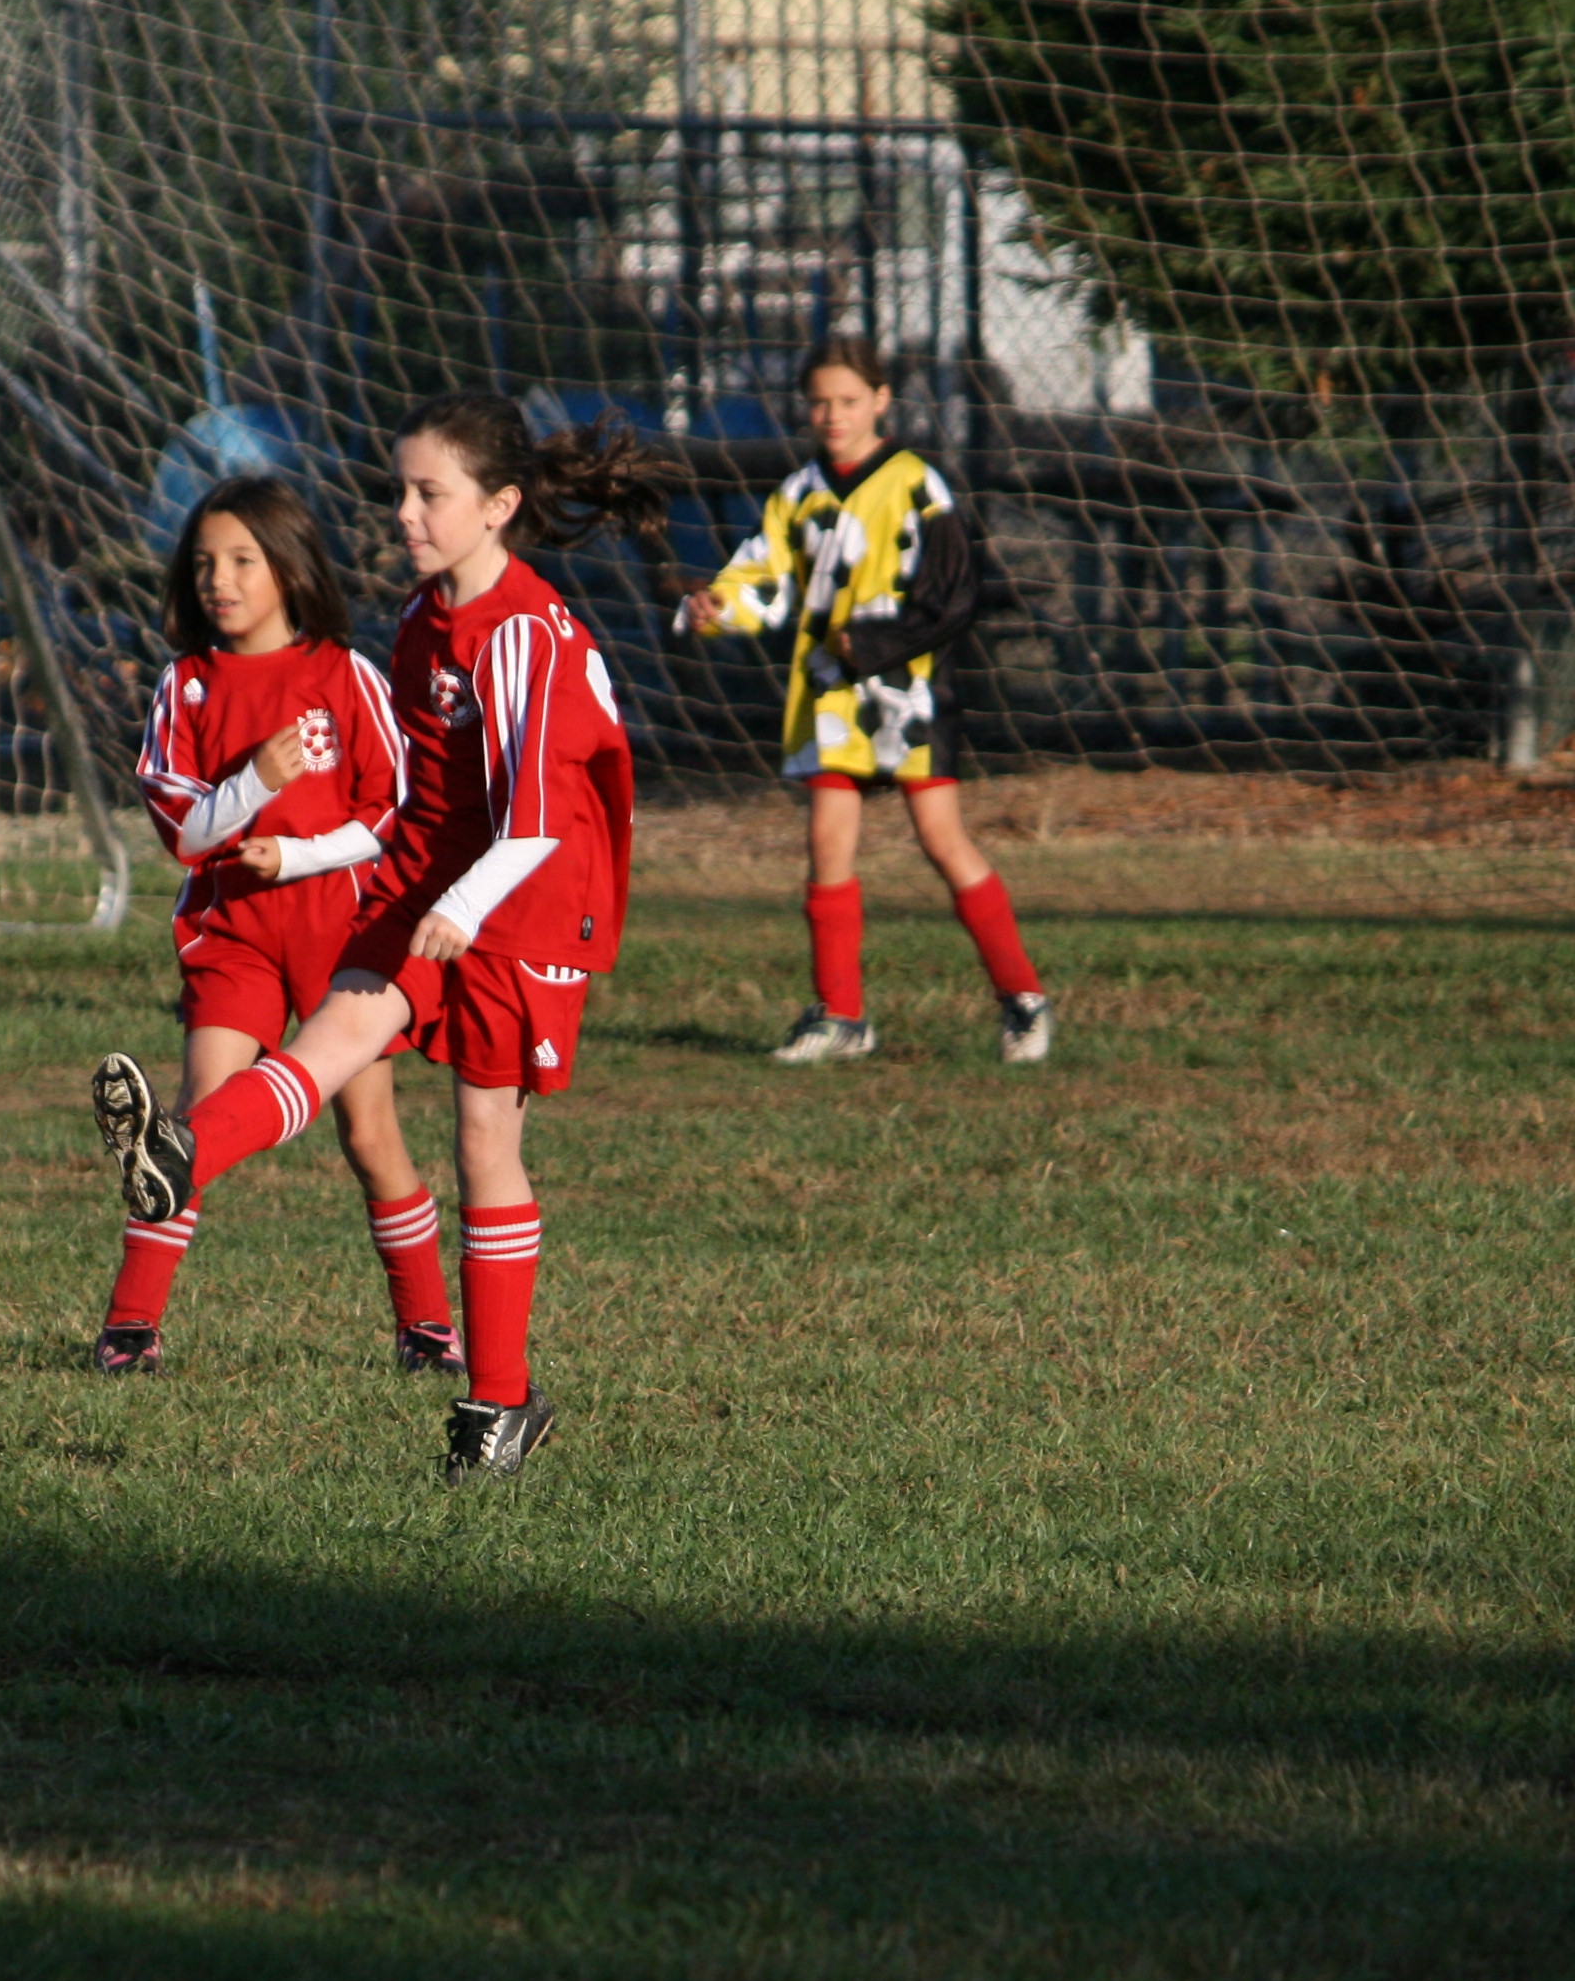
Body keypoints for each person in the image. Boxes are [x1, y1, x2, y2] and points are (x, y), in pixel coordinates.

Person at [90, 394, 678, 1481]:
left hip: (527, 905)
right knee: (331, 1041)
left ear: (498, 507)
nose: (404, 512)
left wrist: (462, 909)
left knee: (483, 1144)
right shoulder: (419, 620)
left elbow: (537, 821)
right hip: (427, 888)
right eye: (400, 490)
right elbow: (410, 797)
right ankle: (180, 1155)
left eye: (428, 494)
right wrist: (377, 879)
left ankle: (501, 1402)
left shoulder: (525, 634)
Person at [97, 476, 457, 1378]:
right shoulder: (186, 686)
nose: (219, 580)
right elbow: (184, 830)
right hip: (235, 933)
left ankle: (426, 1328)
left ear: (291, 569)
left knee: (370, 1138)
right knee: (192, 1125)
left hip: (345, 935)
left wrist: (295, 856)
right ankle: (130, 1329)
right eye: (204, 563)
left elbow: (391, 813)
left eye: (243, 561)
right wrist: (254, 781)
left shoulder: (345, 675)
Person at [678, 335, 1054, 1067]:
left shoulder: (918, 485)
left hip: (910, 695)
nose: (833, 415)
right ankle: (841, 1015)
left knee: (942, 841)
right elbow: (765, 576)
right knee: (826, 844)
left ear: (881, 400)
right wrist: (718, 606)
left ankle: (1022, 997)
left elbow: (954, 596)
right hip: (830, 692)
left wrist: (878, 642)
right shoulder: (799, 492)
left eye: (848, 401)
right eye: (819, 402)